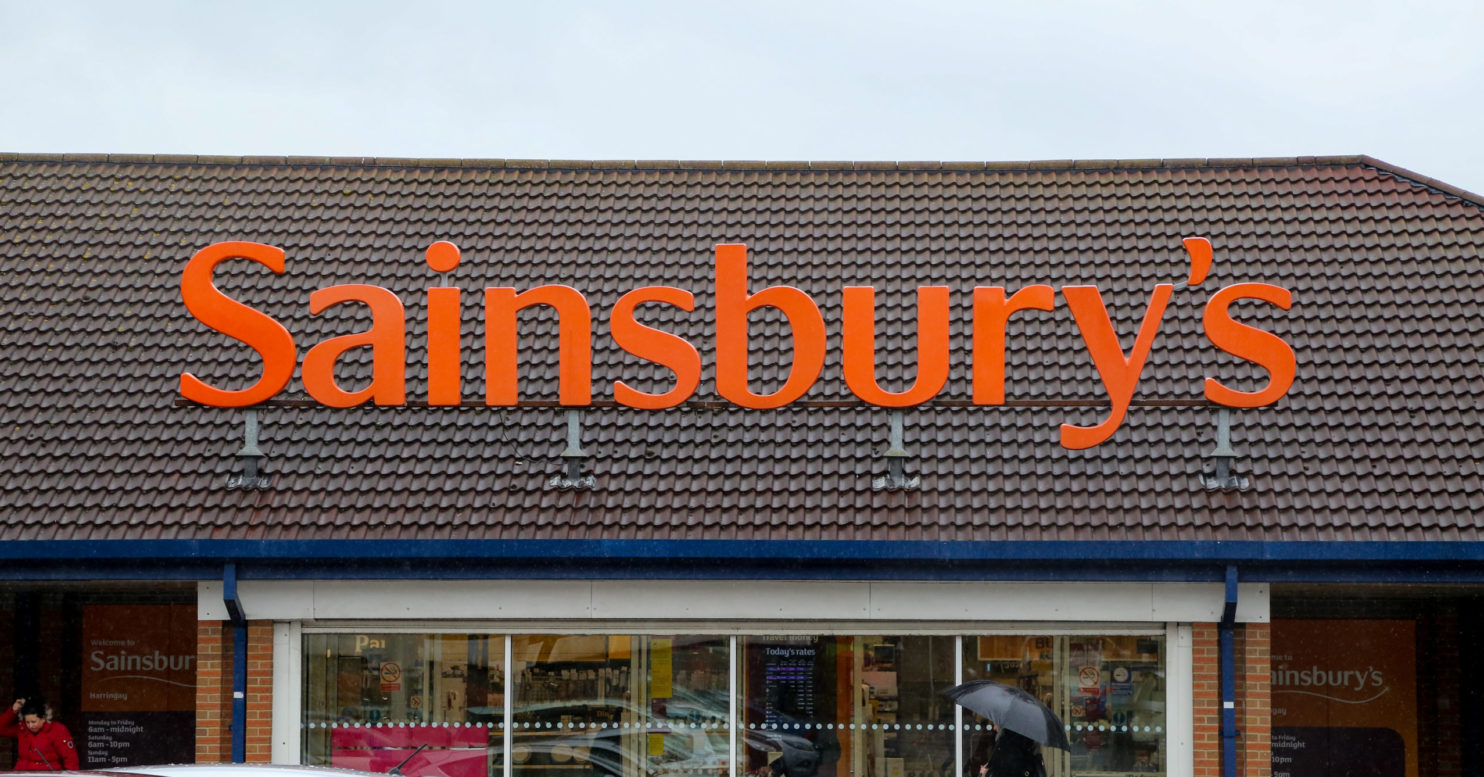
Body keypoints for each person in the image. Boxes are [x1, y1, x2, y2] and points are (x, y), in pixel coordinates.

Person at [0, 697, 79, 771]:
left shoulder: (57, 730)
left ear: (44, 718)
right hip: (22, 772)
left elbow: (71, 759)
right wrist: (13, 711)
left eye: (34, 722)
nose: (30, 725)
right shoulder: (22, 728)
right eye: (27, 722)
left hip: (47, 773)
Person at [977, 726, 1045, 777]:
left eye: (995, 723)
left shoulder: (1007, 743)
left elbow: (1006, 769)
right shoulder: (1024, 739)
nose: (994, 728)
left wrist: (987, 773)